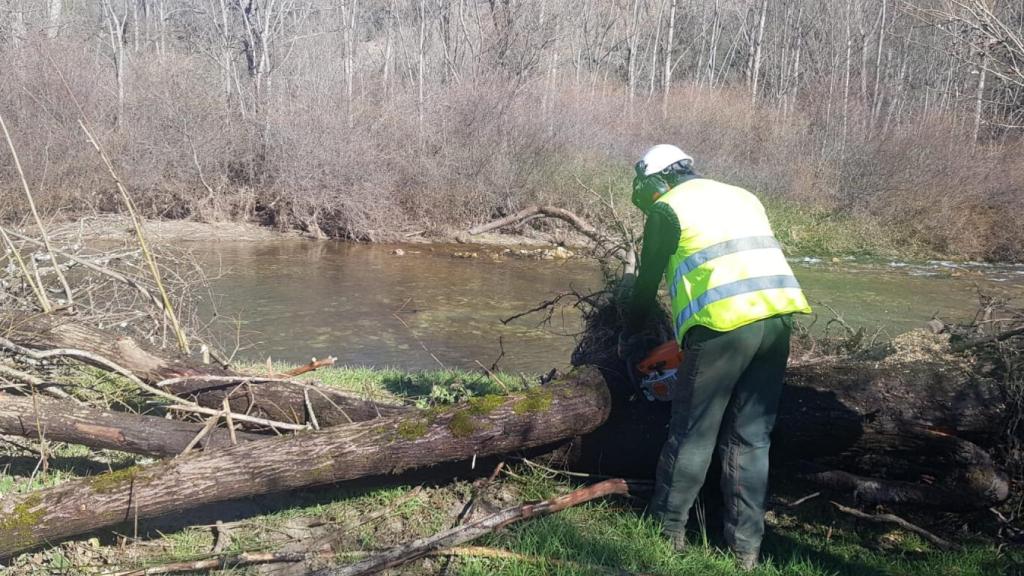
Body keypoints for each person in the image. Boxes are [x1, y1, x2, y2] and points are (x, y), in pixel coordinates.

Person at [619, 144, 812, 570]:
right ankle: (746, 550)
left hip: (724, 324)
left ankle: (665, 534)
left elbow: (648, 279)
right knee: (751, 438)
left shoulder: (668, 209)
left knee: (692, 432)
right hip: (777, 319)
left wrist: (630, 328)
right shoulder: (742, 195)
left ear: (657, 180)